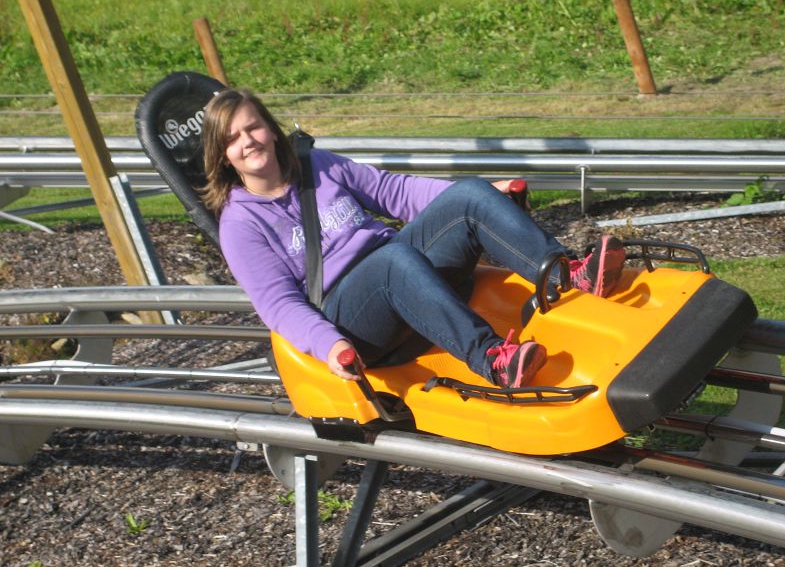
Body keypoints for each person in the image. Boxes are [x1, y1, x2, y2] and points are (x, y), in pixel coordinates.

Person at [201, 88, 625, 389]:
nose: (248, 142)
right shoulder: (240, 225)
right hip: (355, 318)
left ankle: (567, 274)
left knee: (469, 193)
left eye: (253, 128)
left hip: (403, 271)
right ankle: (494, 360)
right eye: (233, 139)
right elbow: (279, 304)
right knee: (392, 262)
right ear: (222, 155)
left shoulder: (318, 166)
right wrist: (329, 344)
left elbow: (396, 192)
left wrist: (484, 197)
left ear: (271, 130)